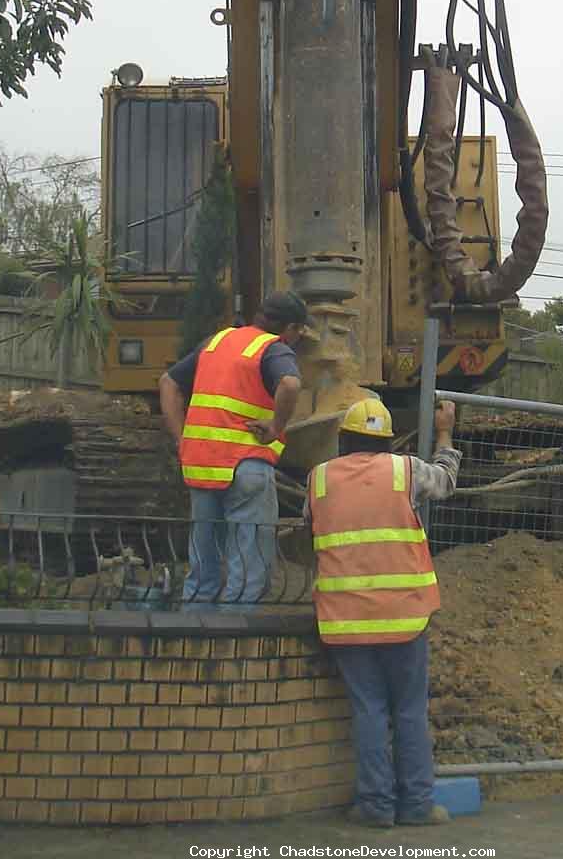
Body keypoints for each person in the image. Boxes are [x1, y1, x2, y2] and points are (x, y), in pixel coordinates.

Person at [306, 395, 461, 828]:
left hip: (345, 619)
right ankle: (417, 806)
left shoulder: (318, 479)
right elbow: (447, 481)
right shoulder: (405, 470)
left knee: (369, 711)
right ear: (388, 441)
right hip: (404, 616)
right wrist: (444, 430)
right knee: (409, 711)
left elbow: (309, 529)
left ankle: (375, 807)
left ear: (343, 440)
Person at [158, 290, 308, 605]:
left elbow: (168, 383)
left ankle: (195, 637)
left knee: (204, 561)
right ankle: (236, 639)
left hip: (202, 464)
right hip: (245, 463)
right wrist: (276, 426)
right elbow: (291, 384)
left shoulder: (216, 342)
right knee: (248, 564)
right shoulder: (273, 349)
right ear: (289, 328)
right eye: (299, 331)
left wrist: (181, 438)